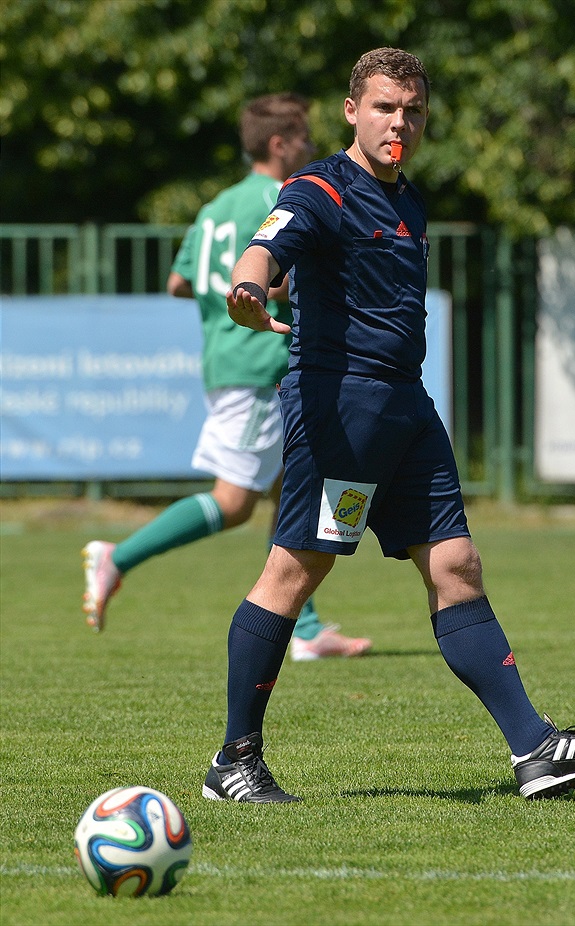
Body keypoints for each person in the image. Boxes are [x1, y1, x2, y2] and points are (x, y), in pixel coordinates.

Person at [201, 48, 575, 804]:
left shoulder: (409, 200)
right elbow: (269, 246)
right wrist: (249, 285)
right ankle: (234, 761)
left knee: (457, 564)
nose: (398, 121)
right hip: (343, 413)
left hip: (405, 410)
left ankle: (535, 750)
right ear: (351, 111)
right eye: (383, 107)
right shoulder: (319, 188)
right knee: (295, 573)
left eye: (412, 110)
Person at [81, 92, 372, 662]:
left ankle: (306, 628)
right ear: (279, 143)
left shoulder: (215, 205)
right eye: (306, 140)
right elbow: (282, 274)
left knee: (298, 486)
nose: (313, 149)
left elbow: (177, 282)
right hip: (261, 362)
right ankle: (117, 556)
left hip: (227, 358)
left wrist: (223, 287)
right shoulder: (284, 197)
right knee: (236, 501)